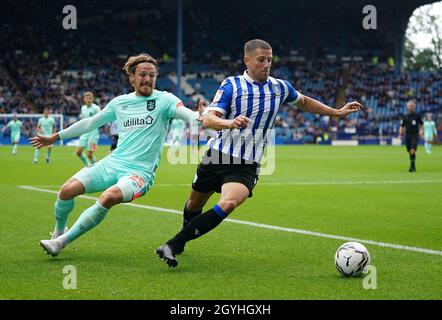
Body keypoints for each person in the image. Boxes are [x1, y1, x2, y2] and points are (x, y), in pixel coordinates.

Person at [155, 39, 362, 268]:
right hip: (217, 156)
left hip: (247, 164)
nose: (267, 64)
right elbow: (208, 120)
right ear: (247, 60)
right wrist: (230, 122)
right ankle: (182, 243)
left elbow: (304, 102)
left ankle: (172, 245)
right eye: (261, 60)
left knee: (229, 203)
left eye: (270, 60)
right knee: (194, 203)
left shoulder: (280, 87)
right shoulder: (232, 85)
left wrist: (336, 112)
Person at [30, 53, 205, 257]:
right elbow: (90, 123)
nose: (147, 79)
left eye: (152, 75)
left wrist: (199, 115)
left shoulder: (165, 100)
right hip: (113, 163)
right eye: (142, 75)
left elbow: (190, 115)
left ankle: (61, 242)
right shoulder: (120, 103)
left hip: (140, 173)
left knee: (109, 197)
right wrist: (55, 137)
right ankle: (59, 230)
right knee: (66, 191)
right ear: (132, 77)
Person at [76, 92, 101, 167]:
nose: (88, 100)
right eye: (87, 98)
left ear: (92, 99)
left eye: (90, 98)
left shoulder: (96, 108)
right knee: (78, 152)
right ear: (84, 99)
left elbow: (101, 118)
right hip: (85, 132)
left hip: (94, 133)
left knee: (89, 154)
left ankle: (96, 167)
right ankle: (88, 165)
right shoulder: (82, 108)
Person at [399, 100, 423, 172]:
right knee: (409, 151)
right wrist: (400, 134)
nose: (411, 107)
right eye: (409, 106)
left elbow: (421, 124)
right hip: (407, 135)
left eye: (412, 106)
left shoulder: (417, 116)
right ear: (407, 107)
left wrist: (421, 131)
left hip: (415, 135)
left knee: (413, 150)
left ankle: (412, 167)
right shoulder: (404, 116)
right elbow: (402, 126)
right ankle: (413, 165)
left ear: (414, 107)